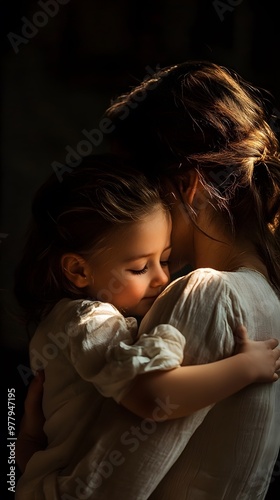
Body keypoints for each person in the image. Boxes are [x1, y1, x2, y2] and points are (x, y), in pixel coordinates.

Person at [16, 61, 280, 499]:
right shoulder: (268, 297)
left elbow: (103, 490)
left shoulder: (207, 294)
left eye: (143, 187)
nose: (139, 208)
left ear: (185, 186)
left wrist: (28, 462)